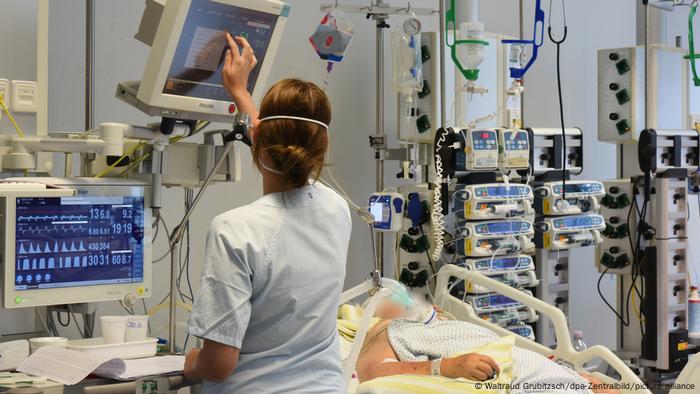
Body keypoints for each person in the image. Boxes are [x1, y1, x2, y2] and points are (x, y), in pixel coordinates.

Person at [183, 33, 352, 393]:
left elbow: (217, 366)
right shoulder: (337, 211)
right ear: (322, 147)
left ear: (256, 141)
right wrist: (241, 94)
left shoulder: (235, 230)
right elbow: (286, 146)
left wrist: (191, 362)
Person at [357, 298, 619, 394]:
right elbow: (372, 371)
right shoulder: (391, 331)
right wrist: (446, 367)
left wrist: (581, 381)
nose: (417, 302)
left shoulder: (441, 325)